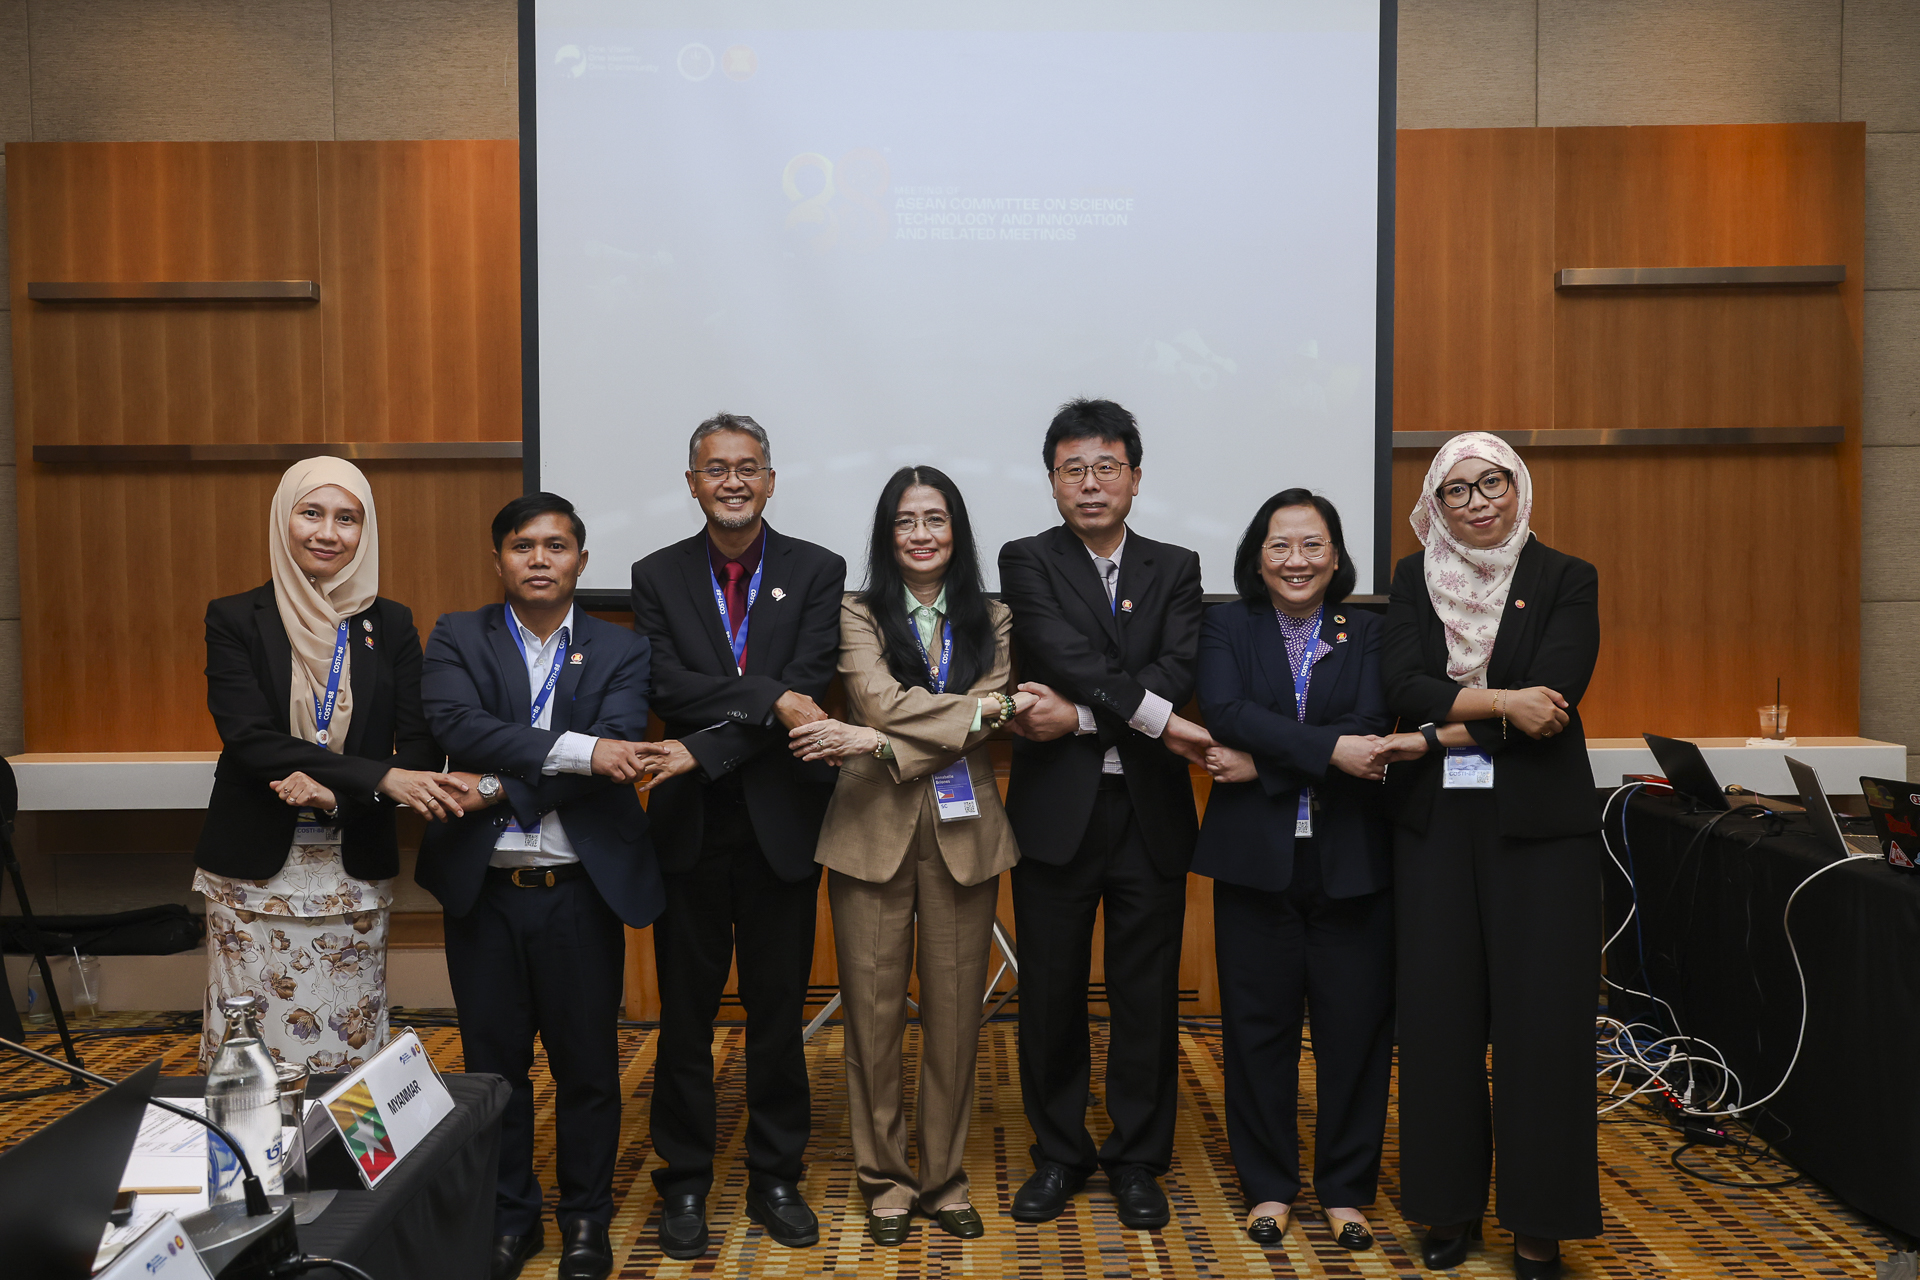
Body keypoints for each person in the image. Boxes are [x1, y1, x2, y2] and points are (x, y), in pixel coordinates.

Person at [1370, 432, 1602, 1279]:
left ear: (1519, 487)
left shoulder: (1567, 578)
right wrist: (1500, 702)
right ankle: (1448, 1209)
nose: (1475, 502)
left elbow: (1558, 701)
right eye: (1456, 489)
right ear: (1434, 502)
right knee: (1438, 1023)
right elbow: (1403, 683)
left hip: (1541, 834)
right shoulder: (1409, 578)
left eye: (1490, 483)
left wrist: (1431, 731)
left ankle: (1541, 1223)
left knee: (1544, 1030)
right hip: (1434, 830)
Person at [416, 492, 663, 1280]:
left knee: (588, 1068)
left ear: (581, 561)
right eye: (523, 545)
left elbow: (619, 749)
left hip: (577, 892)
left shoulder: (621, 649)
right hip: (484, 894)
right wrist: (576, 752)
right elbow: (457, 728)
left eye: (557, 546)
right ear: (500, 560)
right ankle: (510, 1217)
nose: (540, 559)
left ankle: (586, 1221)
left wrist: (494, 786)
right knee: (495, 1071)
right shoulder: (457, 635)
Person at [792, 467, 1036, 1246]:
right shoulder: (854, 613)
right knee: (872, 1022)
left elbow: (986, 713)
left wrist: (876, 743)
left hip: (965, 839)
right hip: (870, 834)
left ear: (957, 530)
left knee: (959, 1022)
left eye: (936, 519)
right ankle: (886, 1181)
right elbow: (881, 700)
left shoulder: (993, 616)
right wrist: (970, 714)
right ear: (886, 535)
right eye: (906, 521)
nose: (922, 534)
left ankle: (945, 1180)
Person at [625, 414, 846, 1260]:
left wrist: (746, 715)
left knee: (776, 1016)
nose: (732, 481)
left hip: (782, 826)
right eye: (715, 468)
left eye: (747, 467)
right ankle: (682, 1183)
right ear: (691, 482)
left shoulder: (817, 570)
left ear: (770, 479)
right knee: (683, 1021)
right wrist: (771, 700)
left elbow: (810, 683)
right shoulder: (655, 575)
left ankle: (775, 1178)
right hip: (688, 829)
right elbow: (670, 686)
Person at [998, 398, 1212, 1230]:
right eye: (1072, 469)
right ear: (1052, 481)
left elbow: (1179, 668)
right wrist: (1149, 710)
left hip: (1149, 807)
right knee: (1049, 992)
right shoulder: (1028, 560)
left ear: (1134, 476)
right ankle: (1058, 1154)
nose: (1090, 484)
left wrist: (1085, 715)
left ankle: (1137, 1158)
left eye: (1106, 467)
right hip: (1059, 812)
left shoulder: (1178, 565)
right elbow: (1060, 653)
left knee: (1145, 995)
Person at [194, 458, 466, 1071]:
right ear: (282, 519)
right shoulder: (235, 617)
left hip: (350, 866)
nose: (328, 532)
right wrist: (374, 775)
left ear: (364, 534)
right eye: (311, 512)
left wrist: (335, 794)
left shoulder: (389, 624)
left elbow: (419, 748)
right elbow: (250, 739)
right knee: (250, 1050)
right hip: (252, 872)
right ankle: (254, 1164)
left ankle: (344, 1166)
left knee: (348, 1040)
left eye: (348, 519)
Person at [1193, 490, 1395, 1250]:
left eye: (1313, 545)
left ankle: (1346, 1191)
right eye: (1281, 546)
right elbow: (1227, 713)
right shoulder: (1225, 625)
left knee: (1356, 1035)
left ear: (1337, 557)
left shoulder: (1369, 632)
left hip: (1353, 864)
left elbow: (1371, 725)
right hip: (1254, 863)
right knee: (1257, 1034)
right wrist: (1322, 756)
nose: (1297, 560)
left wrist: (1270, 766)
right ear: (1257, 556)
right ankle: (1269, 1188)